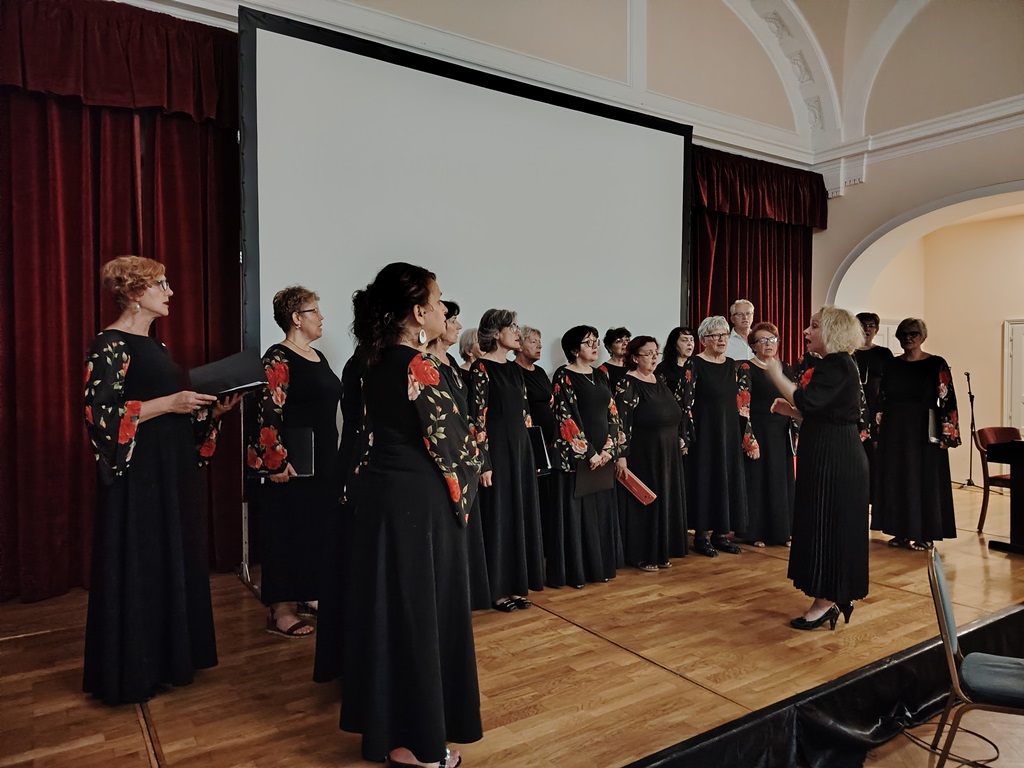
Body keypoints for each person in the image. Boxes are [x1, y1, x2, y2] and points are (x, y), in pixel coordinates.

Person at [340, 262, 482, 768]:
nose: (444, 310)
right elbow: (455, 443)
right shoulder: (421, 365)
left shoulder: (370, 360)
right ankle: (420, 746)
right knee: (423, 616)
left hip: (383, 496)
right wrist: (468, 492)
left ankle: (393, 735)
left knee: (392, 614)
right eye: (439, 301)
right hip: (421, 500)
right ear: (419, 313)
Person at [83, 256, 240, 705]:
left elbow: (169, 411)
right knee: (143, 562)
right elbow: (100, 416)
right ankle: (137, 670)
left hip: (170, 471)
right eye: (161, 284)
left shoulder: (157, 346)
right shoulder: (109, 345)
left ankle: (169, 660)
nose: (170, 292)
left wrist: (211, 412)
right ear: (135, 293)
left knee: (169, 558)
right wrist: (170, 403)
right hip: (139, 477)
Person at [766, 307, 869, 630]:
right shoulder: (837, 365)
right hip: (831, 453)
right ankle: (833, 596)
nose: (806, 332)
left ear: (833, 332)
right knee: (824, 522)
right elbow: (826, 413)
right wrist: (792, 412)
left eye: (814, 326)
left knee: (828, 524)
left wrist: (776, 374)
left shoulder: (837, 364)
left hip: (834, 459)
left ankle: (826, 601)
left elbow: (810, 402)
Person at [247, 286, 342, 638]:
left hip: (324, 460)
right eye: (315, 311)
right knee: (285, 531)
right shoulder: (277, 357)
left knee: (315, 528)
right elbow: (267, 412)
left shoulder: (318, 356)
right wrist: (274, 462)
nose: (322, 317)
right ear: (297, 318)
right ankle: (280, 609)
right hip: (291, 464)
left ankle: (308, 593)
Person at [469, 309, 544, 611]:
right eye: (510, 327)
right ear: (495, 333)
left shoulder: (515, 369)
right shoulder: (481, 369)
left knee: (519, 514)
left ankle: (515, 585)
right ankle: (497, 589)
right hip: (497, 452)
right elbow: (476, 418)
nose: (516, 331)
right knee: (499, 516)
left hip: (520, 451)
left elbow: (526, 416)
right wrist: (484, 462)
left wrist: (533, 455)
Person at [871, 318, 960, 551]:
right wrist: (877, 432)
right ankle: (899, 532)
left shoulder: (936, 363)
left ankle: (925, 534)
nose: (908, 338)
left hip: (924, 431)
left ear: (923, 336)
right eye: (903, 334)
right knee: (897, 479)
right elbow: (882, 399)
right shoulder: (891, 364)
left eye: (913, 333)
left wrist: (948, 435)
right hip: (894, 431)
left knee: (924, 481)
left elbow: (948, 400)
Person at [427, 301, 491, 611]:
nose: (457, 326)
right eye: (452, 320)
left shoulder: (451, 362)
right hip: (444, 459)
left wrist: (479, 457)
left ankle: (467, 595)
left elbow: (468, 415)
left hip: (466, 456)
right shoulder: (425, 362)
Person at [548, 326, 621, 587]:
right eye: (588, 342)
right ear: (574, 349)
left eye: (596, 341)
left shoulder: (600, 375)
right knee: (576, 515)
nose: (594, 346)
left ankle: (599, 568)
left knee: (599, 513)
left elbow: (613, 413)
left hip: (602, 457)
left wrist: (608, 449)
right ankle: (576, 572)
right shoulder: (564, 375)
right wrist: (589, 452)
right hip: (576, 460)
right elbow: (566, 417)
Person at [682, 316, 758, 556]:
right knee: (705, 480)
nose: (722, 340)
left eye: (724, 335)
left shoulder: (731, 365)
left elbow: (741, 404)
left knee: (726, 480)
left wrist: (746, 436)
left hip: (728, 433)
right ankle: (701, 536)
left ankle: (721, 534)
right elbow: (685, 403)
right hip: (704, 434)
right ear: (704, 340)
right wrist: (687, 435)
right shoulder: (694, 364)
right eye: (715, 336)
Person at [614, 336, 688, 570]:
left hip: (668, 452)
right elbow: (620, 422)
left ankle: (662, 550)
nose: (654, 357)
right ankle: (642, 554)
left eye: (656, 353)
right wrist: (621, 456)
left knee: (665, 499)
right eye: (648, 353)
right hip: (643, 454)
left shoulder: (659, 379)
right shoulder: (627, 383)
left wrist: (678, 436)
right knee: (646, 503)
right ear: (635, 358)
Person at [736, 323, 795, 547]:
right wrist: (749, 440)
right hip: (759, 431)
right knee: (758, 482)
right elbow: (742, 407)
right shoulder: (747, 368)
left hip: (782, 433)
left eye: (772, 340)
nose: (768, 344)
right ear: (753, 346)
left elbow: (795, 401)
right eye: (762, 340)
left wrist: (796, 433)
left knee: (782, 481)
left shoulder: (786, 369)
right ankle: (755, 533)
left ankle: (783, 532)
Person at [513, 325, 560, 584]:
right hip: (530, 444)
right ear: (519, 344)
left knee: (547, 500)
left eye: (540, 342)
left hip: (549, 445)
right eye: (533, 341)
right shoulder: (514, 372)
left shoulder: (540, 372)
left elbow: (551, 404)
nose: (539, 346)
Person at [854, 312, 893, 483]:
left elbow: (891, 382)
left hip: (878, 411)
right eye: (863, 325)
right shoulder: (848, 353)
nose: (867, 329)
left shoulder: (884, 354)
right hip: (854, 411)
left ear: (876, 329)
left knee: (877, 458)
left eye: (871, 325)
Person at [655, 326, 696, 397]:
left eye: (692, 340)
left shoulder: (696, 365)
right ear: (674, 344)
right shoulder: (664, 367)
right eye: (684, 340)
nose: (690, 343)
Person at [599, 326, 631, 392]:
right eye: (619, 341)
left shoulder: (635, 365)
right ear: (609, 348)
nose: (625, 343)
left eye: (627, 340)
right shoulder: (603, 370)